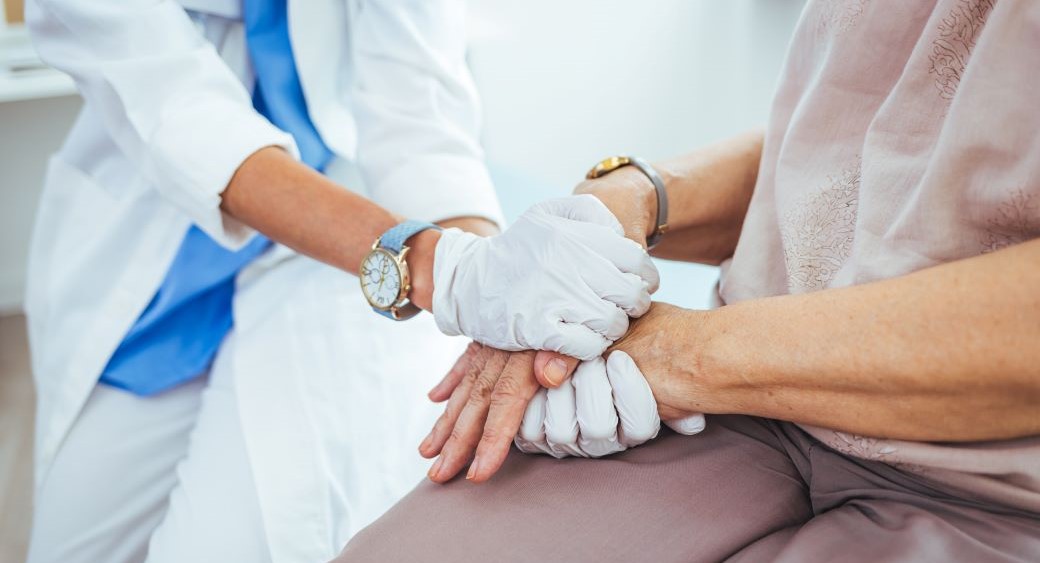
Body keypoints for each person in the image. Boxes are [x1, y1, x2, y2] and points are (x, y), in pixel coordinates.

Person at [337, 1, 1040, 560]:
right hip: (747, 412)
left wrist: (681, 354)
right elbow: (881, 137)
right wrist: (628, 200)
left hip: (990, 490)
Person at [22, 1, 661, 562]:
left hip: (337, 251)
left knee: (239, 541)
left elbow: (419, 109)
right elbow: (171, 104)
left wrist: (503, 299)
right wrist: (441, 268)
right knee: (73, 542)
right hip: (191, 244)